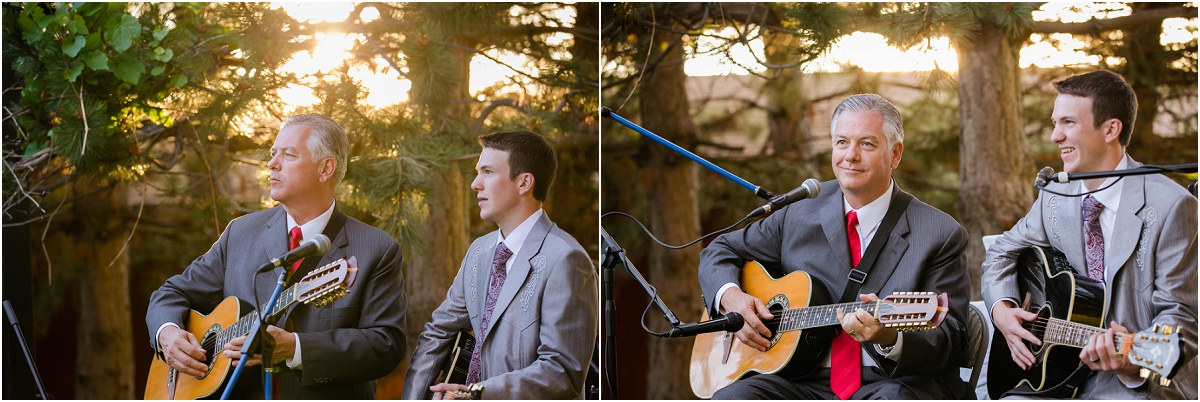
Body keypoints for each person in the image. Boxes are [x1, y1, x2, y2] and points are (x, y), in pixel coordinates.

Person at [697, 94, 970, 399]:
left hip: (891, 382)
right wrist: (731, 298)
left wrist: (891, 338)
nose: (850, 155)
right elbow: (719, 251)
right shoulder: (799, 212)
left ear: (895, 155)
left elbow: (952, 338)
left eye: (866, 144)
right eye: (842, 142)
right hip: (799, 382)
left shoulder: (939, 233)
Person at [146, 114, 408, 399]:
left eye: (288, 154)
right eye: (273, 153)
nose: (272, 163)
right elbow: (171, 293)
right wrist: (167, 333)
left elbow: (386, 345)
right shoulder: (241, 232)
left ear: (325, 169)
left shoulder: (377, 248)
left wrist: (296, 348)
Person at [983, 70, 1197, 399]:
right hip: (1054, 374)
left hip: (1138, 385)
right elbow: (1002, 252)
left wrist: (1128, 359)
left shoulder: (1172, 206)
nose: (1055, 136)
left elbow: (1181, 319)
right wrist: (1002, 312)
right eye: (1055, 123)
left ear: (1110, 129)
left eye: (1068, 123)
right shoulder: (1055, 195)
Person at [401, 131, 598, 400]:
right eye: (477, 172)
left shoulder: (566, 259)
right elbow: (438, 332)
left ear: (524, 182)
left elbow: (561, 372)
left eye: (488, 172)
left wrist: (474, 395)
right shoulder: (479, 251)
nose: (475, 184)